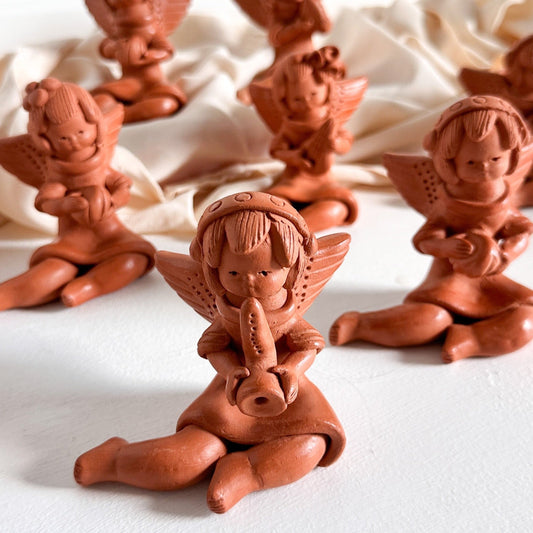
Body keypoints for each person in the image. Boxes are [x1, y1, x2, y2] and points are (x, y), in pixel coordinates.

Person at [74, 191, 348, 513]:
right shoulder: (226, 315)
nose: (249, 282)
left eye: (264, 273)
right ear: (212, 272)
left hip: (288, 395)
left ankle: (244, 472)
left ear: (293, 267)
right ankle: (116, 460)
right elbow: (214, 348)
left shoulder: (288, 313)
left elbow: (308, 345)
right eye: (233, 273)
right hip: (231, 394)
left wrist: (292, 369)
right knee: (188, 458)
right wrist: (230, 371)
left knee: (311, 444)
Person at [330, 96, 533, 363]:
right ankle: (359, 324)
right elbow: (425, 238)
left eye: (496, 158)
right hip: (447, 280)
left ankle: (470, 340)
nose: (485, 167)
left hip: (490, 281)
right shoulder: (448, 200)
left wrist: (506, 253)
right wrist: (447, 246)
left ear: (513, 156)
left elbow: (522, 230)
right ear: (449, 162)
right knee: (430, 320)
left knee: (526, 318)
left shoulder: (503, 198)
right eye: (471, 163)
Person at [0, 78, 154, 309]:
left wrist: (113, 201)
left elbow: (122, 185)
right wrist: (68, 205)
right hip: (71, 242)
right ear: (45, 141)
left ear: (96, 124)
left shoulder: (100, 162)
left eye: (81, 131)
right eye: (63, 138)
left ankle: (87, 288)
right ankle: (7, 296)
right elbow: (46, 201)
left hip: (112, 235)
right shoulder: (57, 172)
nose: (74, 141)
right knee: (53, 272)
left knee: (135, 260)